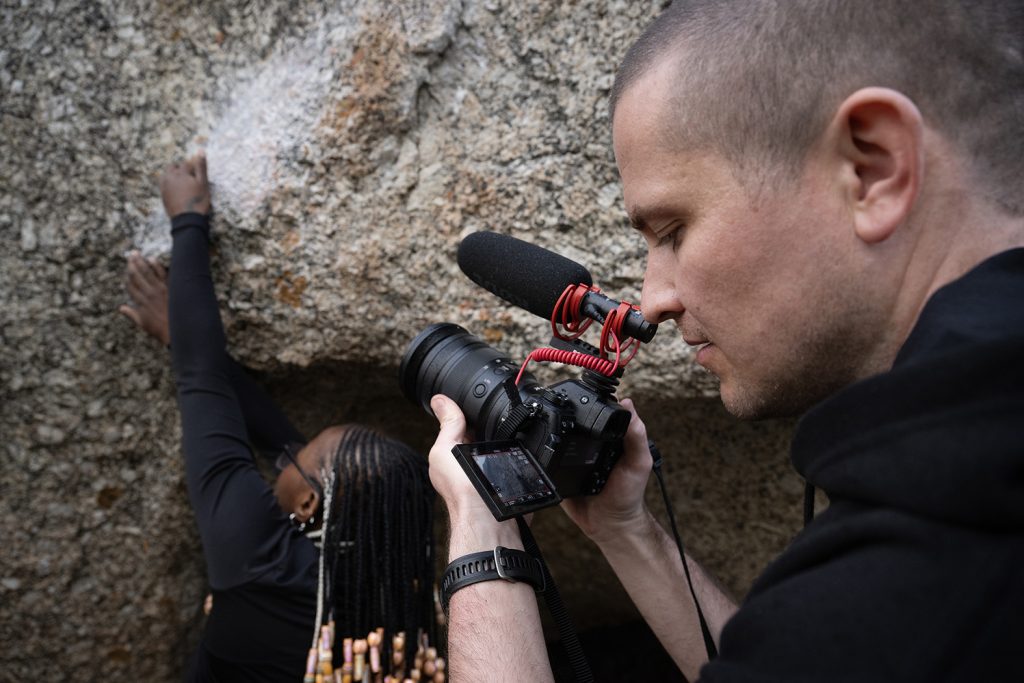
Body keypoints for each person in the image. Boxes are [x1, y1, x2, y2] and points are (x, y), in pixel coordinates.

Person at [424, 1, 1024, 681]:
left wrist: (480, 528)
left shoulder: (932, 553)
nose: (654, 298)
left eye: (673, 230)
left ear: (874, 167)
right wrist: (628, 529)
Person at [120, 154, 442, 682]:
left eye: (300, 454)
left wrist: (190, 220)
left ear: (311, 502)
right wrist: (181, 336)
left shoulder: (258, 559)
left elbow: (203, 381)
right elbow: (274, 436)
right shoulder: (393, 586)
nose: (286, 452)